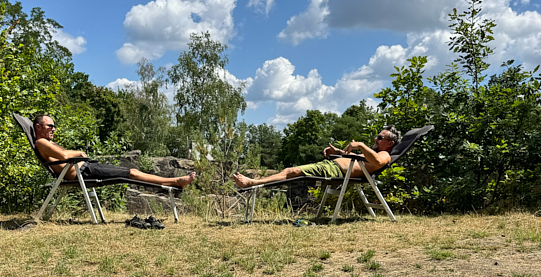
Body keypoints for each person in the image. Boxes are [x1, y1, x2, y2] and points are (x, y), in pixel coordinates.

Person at [33, 114, 196, 189]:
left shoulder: (48, 142)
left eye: (54, 126)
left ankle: (174, 182)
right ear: (38, 127)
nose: (53, 129)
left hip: (86, 169)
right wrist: (79, 153)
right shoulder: (41, 142)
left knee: (131, 172)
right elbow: (64, 156)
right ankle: (175, 181)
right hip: (84, 172)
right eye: (50, 126)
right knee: (131, 173)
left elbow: (63, 156)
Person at [233, 126, 401, 189]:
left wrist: (361, 145)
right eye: (377, 136)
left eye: (380, 138)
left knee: (291, 171)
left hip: (335, 171)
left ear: (390, 143)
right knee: (292, 171)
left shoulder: (384, 155)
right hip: (331, 166)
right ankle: (253, 183)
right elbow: (356, 158)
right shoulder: (374, 153)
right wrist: (337, 152)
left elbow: (378, 162)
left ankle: (252, 183)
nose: (376, 139)